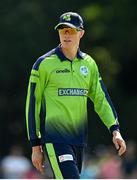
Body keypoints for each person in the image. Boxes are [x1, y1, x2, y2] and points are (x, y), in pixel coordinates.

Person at [25, 11, 126, 179]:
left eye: (71, 30)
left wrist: (115, 130)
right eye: (62, 30)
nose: (66, 34)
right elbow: (32, 105)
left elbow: (101, 99)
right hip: (55, 140)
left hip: (79, 141)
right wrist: (35, 146)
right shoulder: (43, 64)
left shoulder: (89, 64)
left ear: (81, 33)